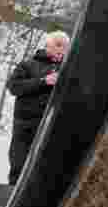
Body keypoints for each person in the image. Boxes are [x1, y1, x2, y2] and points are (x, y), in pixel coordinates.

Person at [7, 30, 68, 184]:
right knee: (18, 163)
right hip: (26, 123)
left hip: (51, 124)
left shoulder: (67, 68)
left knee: (44, 167)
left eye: (65, 47)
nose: (61, 50)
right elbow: (14, 87)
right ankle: (12, 190)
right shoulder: (28, 65)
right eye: (58, 45)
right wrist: (43, 81)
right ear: (47, 46)